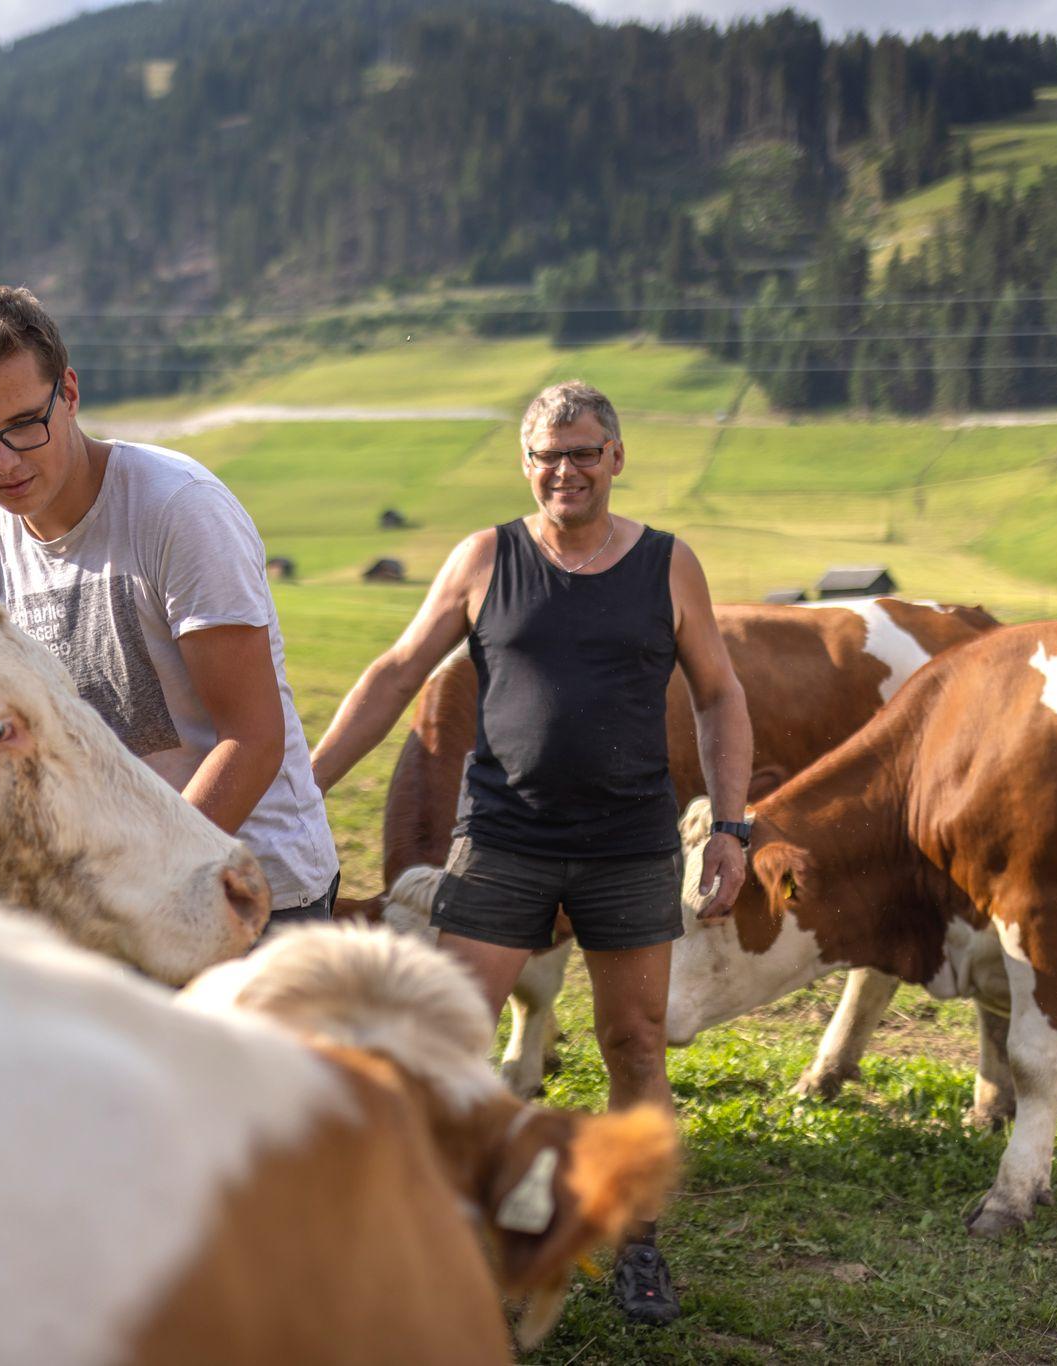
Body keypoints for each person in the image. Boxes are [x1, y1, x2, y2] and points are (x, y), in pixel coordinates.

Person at [310, 379, 752, 1325]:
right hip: (505, 838)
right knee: (450, 1034)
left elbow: (719, 693)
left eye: (585, 452)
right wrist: (304, 787)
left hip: (629, 844)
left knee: (634, 1043)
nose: (566, 471)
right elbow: (396, 672)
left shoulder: (668, 566)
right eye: (549, 455)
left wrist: (730, 824)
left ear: (616, 458)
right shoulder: (485, 558)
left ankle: (637, 1244)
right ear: (526, 463)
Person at [0, 285, 339, 924]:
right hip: (113, 900)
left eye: (24, 424)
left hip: (254, 890)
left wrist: (153, 883)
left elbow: (252, 738)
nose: (2, 461)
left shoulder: (177, 508)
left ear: (70, 393)